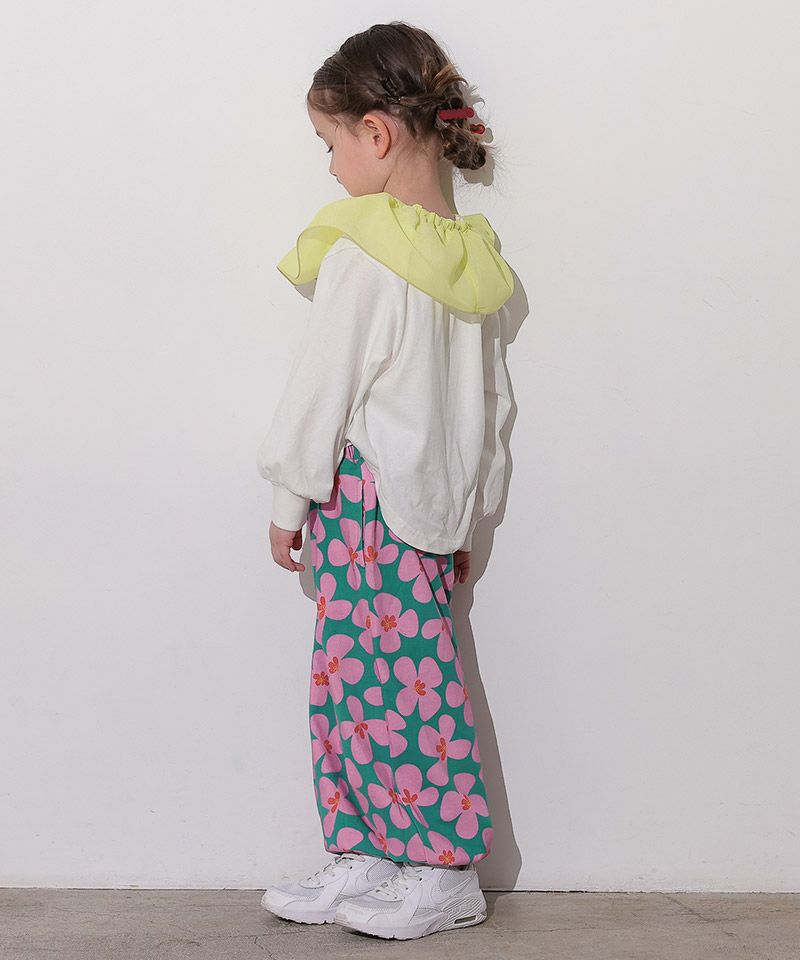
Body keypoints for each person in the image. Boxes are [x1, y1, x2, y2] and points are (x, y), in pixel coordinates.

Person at [256, 21, 514, 941]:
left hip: (364, 497)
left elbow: (320, 388)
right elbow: (492, 406)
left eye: (329, 144)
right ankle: (368, 849)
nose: (329, 169)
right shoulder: (472, 258)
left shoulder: (365, 251)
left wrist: (288, 496)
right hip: (430, 501)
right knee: (360, 681)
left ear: (376, 132)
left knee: (398, 685)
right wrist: (471, 518)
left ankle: (442, 869)